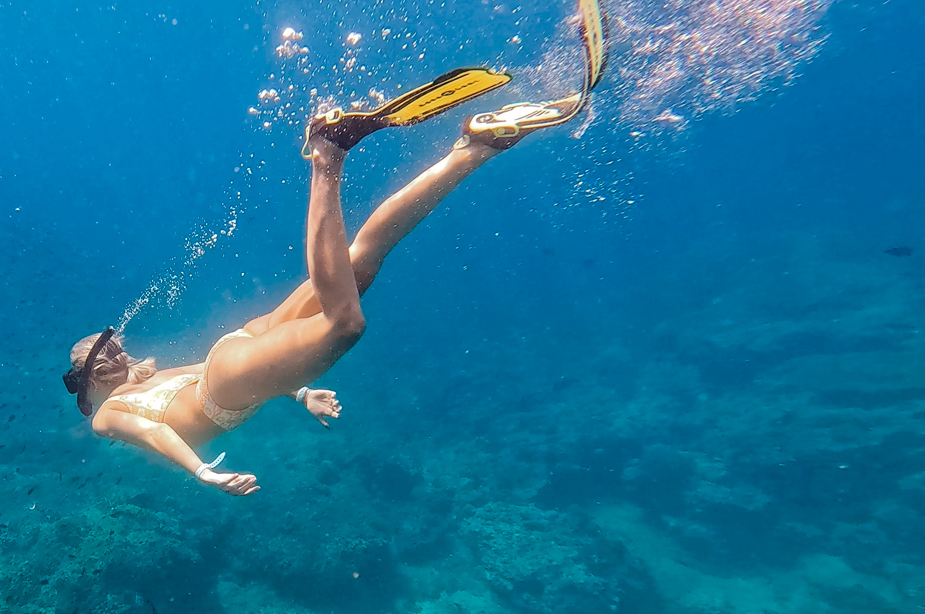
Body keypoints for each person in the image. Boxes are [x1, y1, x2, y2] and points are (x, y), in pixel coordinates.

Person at [62, 93, 591, 496]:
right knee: (360, 265)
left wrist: (200, 471)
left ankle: (327, 154)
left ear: (91, 383)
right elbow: (245, 365)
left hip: (224, 384)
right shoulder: (148, 380)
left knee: (346, 324)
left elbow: (154, 433)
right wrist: (300, 393)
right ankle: (474, 148)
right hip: (236, 354)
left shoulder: (106, 416)